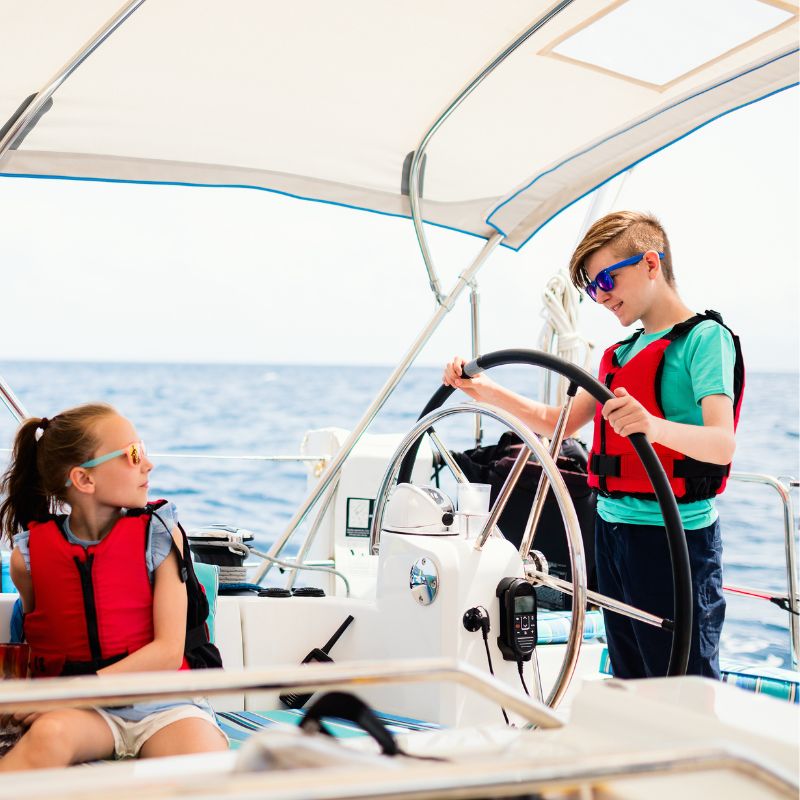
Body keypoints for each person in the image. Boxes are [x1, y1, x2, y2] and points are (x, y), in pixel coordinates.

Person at [443, 211, 743, 680]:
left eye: (607, 279)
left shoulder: (705, 341)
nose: (600, 296)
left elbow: (722, 445)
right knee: (630, 674)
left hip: (674, 539)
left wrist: (652, 427)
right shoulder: (619, 355)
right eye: (591, 288)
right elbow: (554, 424)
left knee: (683, 681)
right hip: (611, 534)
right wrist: (481, 390)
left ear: (650, 264)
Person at [0, 403, 227, 771]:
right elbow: (38, 638)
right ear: (84, 480)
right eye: (132, 454)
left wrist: (66, 692)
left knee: (205, 762)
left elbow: (168, 652)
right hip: (85, 713)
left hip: (162, 705)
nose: (148, 464)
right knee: (48, 738)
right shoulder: (27, 558)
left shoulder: (160, 536)